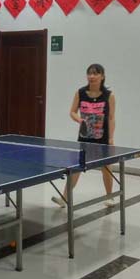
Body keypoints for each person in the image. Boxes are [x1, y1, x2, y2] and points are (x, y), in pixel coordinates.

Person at [52, 63, 117, 208]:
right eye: (89, 73)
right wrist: (79, 120)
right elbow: (72, 112)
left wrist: (111, 138)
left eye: (95, 73)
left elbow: (112, 118)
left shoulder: (109, 95)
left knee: (106, 167)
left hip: (102, 137)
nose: (92, 76)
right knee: (76, 167)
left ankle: (110, 197)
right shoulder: (80, 93)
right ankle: (64, 198)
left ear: (102, 76)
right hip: (84, 137)